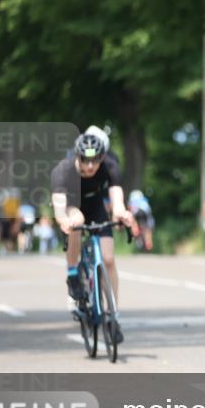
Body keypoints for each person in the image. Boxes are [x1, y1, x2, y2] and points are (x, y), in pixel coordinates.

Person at [51, 132, 138, 343]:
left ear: (102, 157)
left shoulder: (110, 165)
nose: (90, 166)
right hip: (73, 205)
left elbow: (116, 201)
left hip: (96, 204)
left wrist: (122, 213)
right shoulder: (63, 170)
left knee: (108, 259)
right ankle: (73, 273)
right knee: (77, 221)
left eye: (95, 161)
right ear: (77, 156)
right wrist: (63, 221)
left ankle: (112, 316)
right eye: (86, 160)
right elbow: (59, 207)